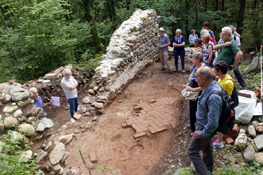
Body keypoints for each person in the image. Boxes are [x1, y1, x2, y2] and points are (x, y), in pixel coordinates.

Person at [187, 67, 223, 175]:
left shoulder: (213, 97)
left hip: (205, 127)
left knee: (192, 151)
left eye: (196, 77)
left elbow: (213, 123)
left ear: (203, 78)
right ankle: (207, 169)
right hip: (204, 124)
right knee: (207, 148)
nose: (195, 79)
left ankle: (204, 173)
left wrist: (202, 133)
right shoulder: (211, 85)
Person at [213, 61, 235, 148]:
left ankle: (219, 142)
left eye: (215, 70)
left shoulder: (228, 82)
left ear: (219, 71)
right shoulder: (221, 78)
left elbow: (227, 98)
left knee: (221, 124)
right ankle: (219, 139)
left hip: (223, 107)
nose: (213, 71)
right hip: (219, 104)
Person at [184, 51, 206, 134]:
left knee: (196, 110)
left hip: (198, 94)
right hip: (194, 92)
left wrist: (192, 89)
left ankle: (195, 130)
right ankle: (192, 124)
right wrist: (188, 85)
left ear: (198, 60)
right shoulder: (197, 67)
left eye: (193, 59)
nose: (191, 60)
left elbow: (204, 87)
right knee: (192, 109)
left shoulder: (202, 70)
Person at [229, 25, 247, 89]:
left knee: (236, 71)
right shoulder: (224, 37)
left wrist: (237, 59)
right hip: (227, 57)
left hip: (234, 57)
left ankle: (243, 85)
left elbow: (239, 48)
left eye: (232, 30)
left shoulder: (236, 38)